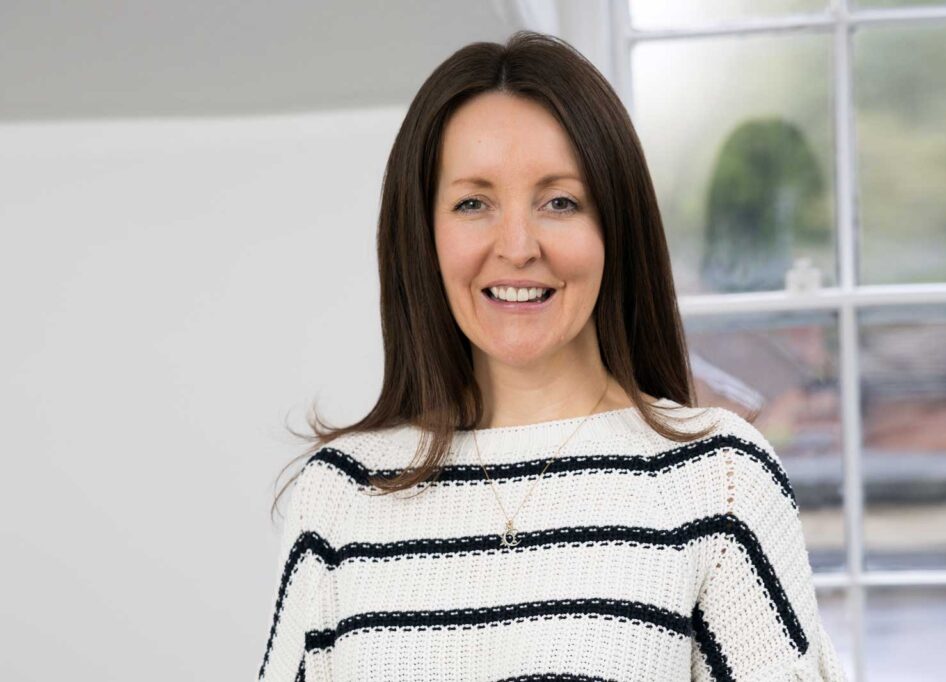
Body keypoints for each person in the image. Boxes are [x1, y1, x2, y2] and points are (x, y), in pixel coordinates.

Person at [256, 30, 847, 682]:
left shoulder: (718, 481)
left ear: (613, 228)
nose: (516, 246)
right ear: (422, 236)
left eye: (559, 201)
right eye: (472, 202)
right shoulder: (338, 496)